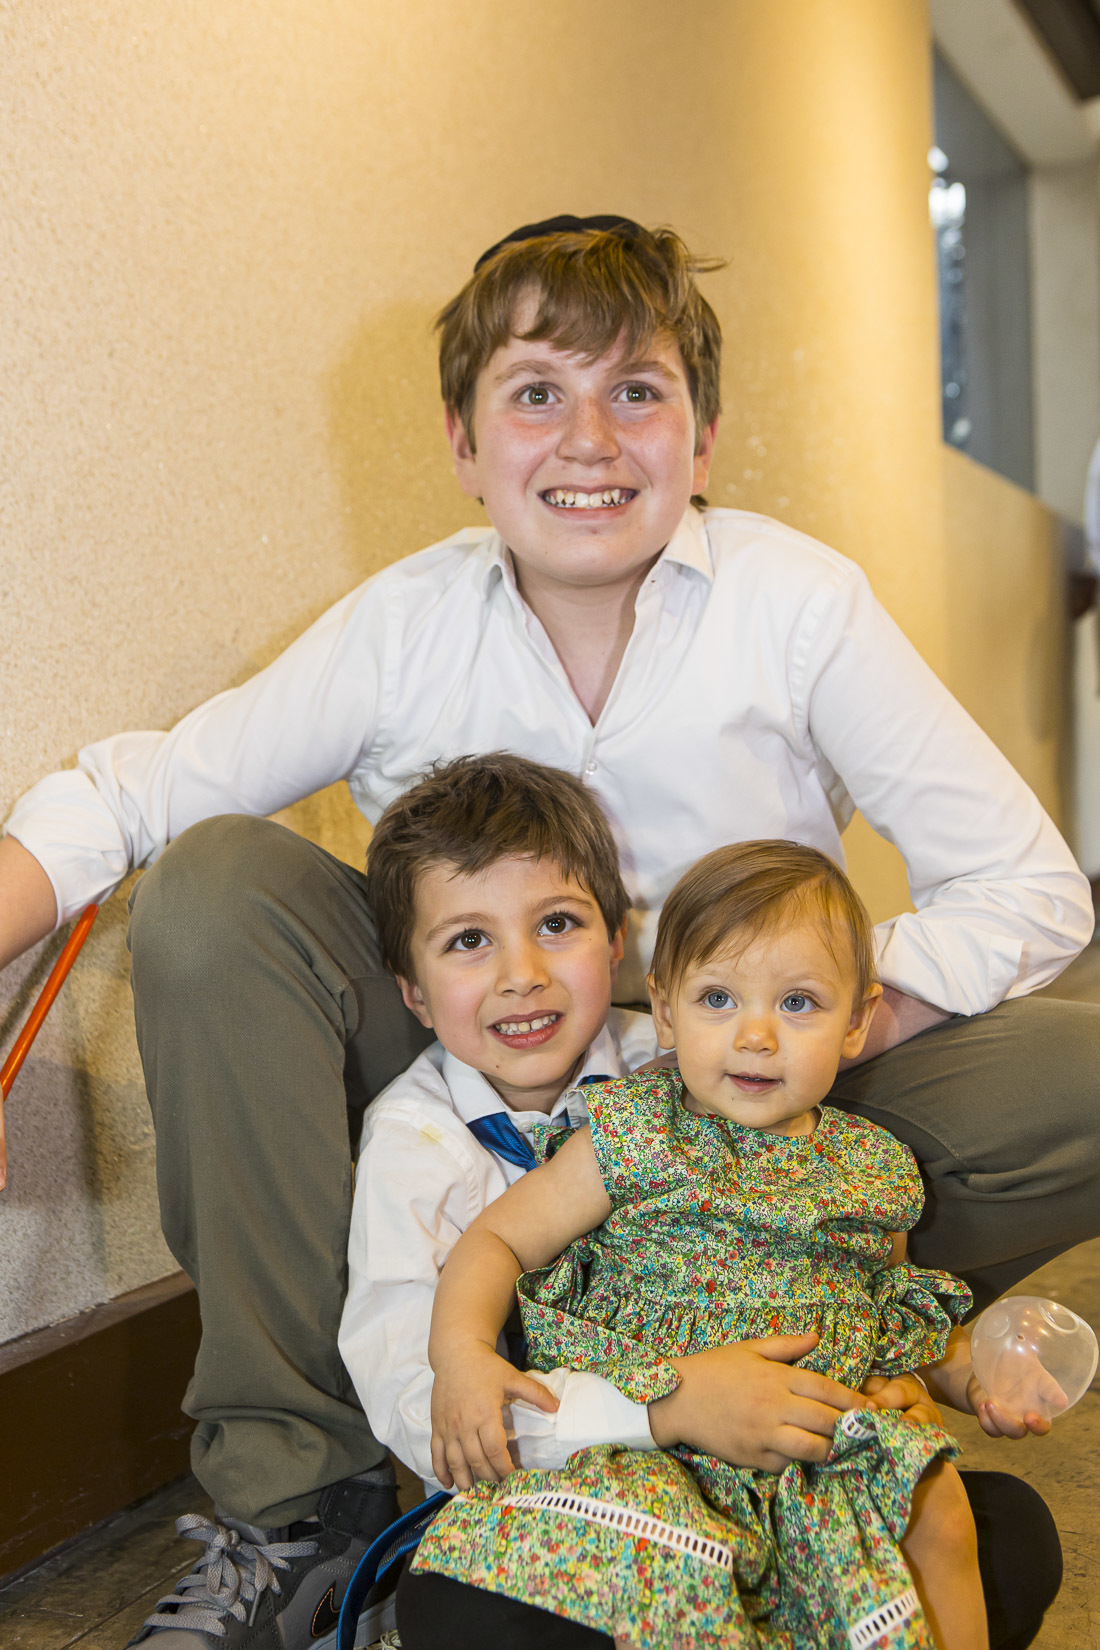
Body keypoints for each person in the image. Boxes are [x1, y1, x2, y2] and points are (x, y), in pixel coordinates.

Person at [0, 215, 1084, 1647]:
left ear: (701, 437)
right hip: (485, 1084)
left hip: (737, 1112)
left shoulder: (797, 605)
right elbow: (130, 795)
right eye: (535, 393)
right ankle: (300, 1504)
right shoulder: (404, 625)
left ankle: (833, 1336)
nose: (589, 438)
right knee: (212, 887)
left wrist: (794, 1017)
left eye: (635, 389)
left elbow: (1029, 888)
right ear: (463, 444)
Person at [416, 841, 1061, 1650]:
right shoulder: (636, 1134)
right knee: (649, 1563)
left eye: (798, 1003)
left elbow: (894, 1321)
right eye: (718, 999)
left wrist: (974, 1374)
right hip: (660, 1432)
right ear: (666, 1010)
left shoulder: (872, 1168)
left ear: (856, 1020)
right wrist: (462, 1355)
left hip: (813, 1443)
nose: (756, 1036)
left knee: (939, 1500)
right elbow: (497, 1240)